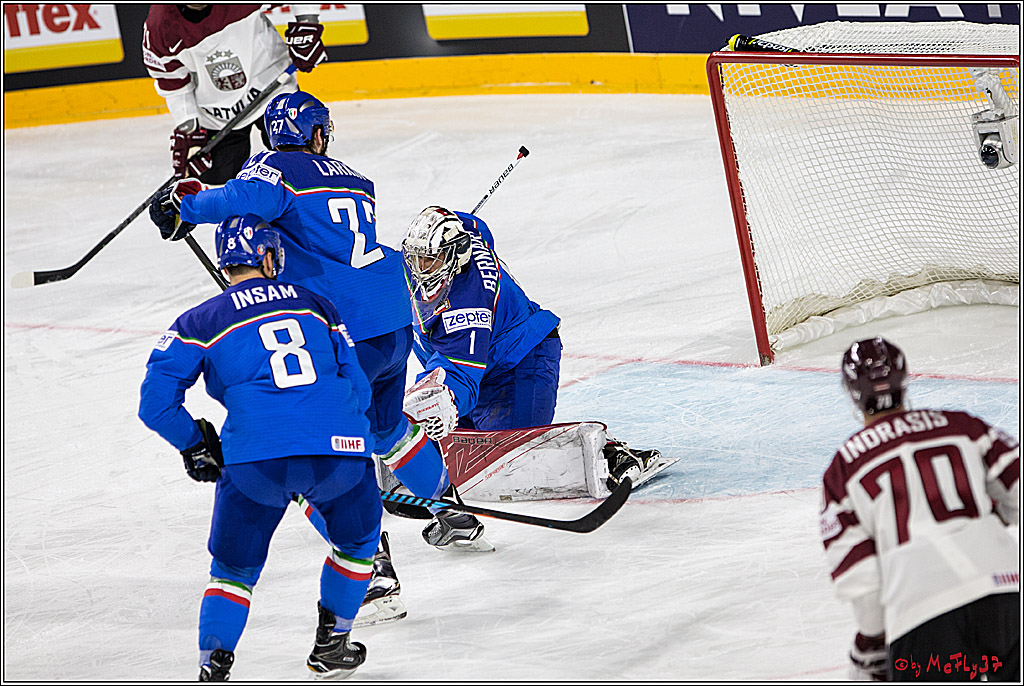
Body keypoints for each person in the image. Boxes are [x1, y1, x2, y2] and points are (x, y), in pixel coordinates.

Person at [148, 90, 490, 625]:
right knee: (387, 429)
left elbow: (246, 201)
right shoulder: (355, 179)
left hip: (340, 329)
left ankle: (373, 568)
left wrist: (184, 206)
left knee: (328, 449)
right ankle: (452, 510)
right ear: (317, 133)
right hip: (391, 317)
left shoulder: (272, 168)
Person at [138, 215, 379, 680]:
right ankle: (333, 645)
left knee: (231, 572)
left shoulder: (198, 320)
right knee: (357, 545)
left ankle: (214, 667)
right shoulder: (316, 304)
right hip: (339, 454)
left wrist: (194, 444)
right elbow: (359, 387)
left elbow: (155, 405)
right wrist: (347, 436)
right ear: (269, 256)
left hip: (254, 461)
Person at [399, 205, 671, 494]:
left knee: (509, 464)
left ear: (455, 256)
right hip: (484, 364)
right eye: (416, 256)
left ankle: (608, 454)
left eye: (430, 260)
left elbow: (460, 374)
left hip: (518, 365)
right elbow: (477, 226)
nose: (419, 267)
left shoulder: (468, 305)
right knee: (449, 457)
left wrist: (443, 400)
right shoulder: (461, 241)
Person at [820, 337, 1019, 682]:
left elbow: (864, 587)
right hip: (1005, 598)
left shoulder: (843, 470)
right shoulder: (964, 427)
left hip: (921, 619)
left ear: (852, 393)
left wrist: (870, 644)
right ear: (905, 380)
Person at [142, 4, 327, 184]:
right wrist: (189, 125)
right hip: (217, 114)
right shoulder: (160, 26)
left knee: (302, 161)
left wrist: (307, 24)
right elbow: (172, 80)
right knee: (215, 176)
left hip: (273, 87)